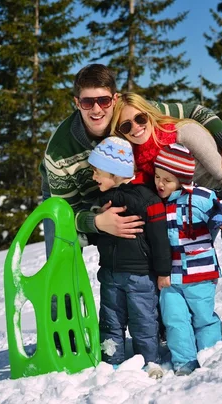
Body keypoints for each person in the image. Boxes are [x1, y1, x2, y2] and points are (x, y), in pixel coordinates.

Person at [40, 63, 222, 258]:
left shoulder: (134, 117)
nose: (96, 109)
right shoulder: (60, 152)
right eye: (87, 102)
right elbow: (65, 212)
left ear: (114, 98)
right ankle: (61, 293)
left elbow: (195, 112)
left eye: (103, 100)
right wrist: (96, 221)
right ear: (77, 103)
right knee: (62, 247)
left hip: (121, 190)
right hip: (72, 193)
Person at [111, 92, 222, 338]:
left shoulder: (183, 133)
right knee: (180, 246)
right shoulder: (137, 158)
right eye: (126, 125)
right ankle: (180, 325)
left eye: (140, 118)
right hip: (199, 195)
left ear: (149, 115)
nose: (136, 127)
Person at [87, 136, 171, 379]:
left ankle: (150, 361)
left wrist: (163, 271)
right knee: (110, 320)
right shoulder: (102, 201)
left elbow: (159, 239)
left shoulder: (149, 200)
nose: (93, 177)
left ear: (114, 173)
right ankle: (111, 360)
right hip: (110, 273)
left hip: (141, 275)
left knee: (143, 320)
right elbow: (95, 235)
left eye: (97, 172)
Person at [154, 143, 222, 376]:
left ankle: (212, 355)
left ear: (182, 179)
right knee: (175, 320)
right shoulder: (156, 204)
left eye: (167, 179)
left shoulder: (201, 197)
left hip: (200, 273)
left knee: (204, 317)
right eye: (157, 177)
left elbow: (221, 209)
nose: (160, 184)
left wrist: (221, 217)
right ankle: (184, 363)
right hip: (170, 277)